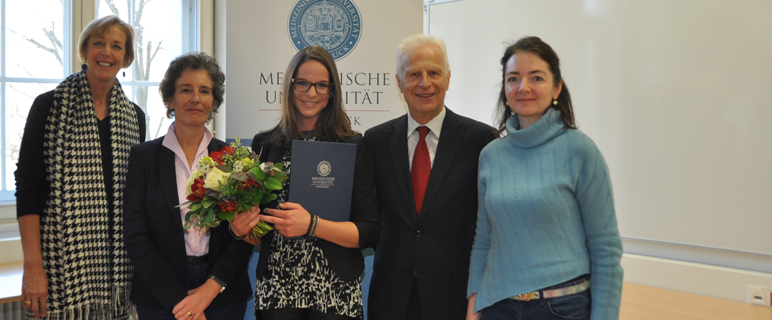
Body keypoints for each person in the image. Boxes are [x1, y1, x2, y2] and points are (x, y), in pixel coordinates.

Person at [466, 36, 624, 320]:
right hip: (497, 306)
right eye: (513, 78)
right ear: (505, 89)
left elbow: (606, 250)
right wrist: (474, 305)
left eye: (536, 77)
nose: (523, 87)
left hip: (562, 308)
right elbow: (484, 240)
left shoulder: (580, 150)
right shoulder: (491, 155)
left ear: (557, 87)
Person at [231, 46, 379, 320]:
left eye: (321, 85)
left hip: (337, 288)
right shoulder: (265, 144)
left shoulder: (352, 145)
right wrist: (241, 230)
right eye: (303, 83)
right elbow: (259, 232)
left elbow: (370, 231)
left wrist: (312, 225)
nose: (311, 93)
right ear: (290, 86)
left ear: (332, 91)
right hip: (277, 288)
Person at [14, 15, 145, 320]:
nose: (106, 52)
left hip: (117, 274)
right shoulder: (48, 107)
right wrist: (32, 265)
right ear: (85, 50)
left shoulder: (135, 117)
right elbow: (28, 187)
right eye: (98, 43)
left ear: (126, 59)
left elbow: (136, 197)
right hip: (60, 269)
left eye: (116, 46)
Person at [364, 34, 497, 320]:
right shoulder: (375, 141)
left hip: (455, 299)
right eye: (413, 74)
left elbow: (489, 226)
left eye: (433, 72)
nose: (425, 83)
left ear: (448, 78)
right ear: (399, 83)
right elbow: (369, 218)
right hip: (390, 298)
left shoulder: (482, 140)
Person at [123, 52, 254, 320]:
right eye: (186, 90)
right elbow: (136, 238)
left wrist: (210, 289)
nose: (195, 98)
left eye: (204, 91)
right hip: (160, 295)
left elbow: (244, 234)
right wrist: (182, 303)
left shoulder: (235, 160)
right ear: (170, 99)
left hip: (223, 292)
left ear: (214, 101)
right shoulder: (143, 157)